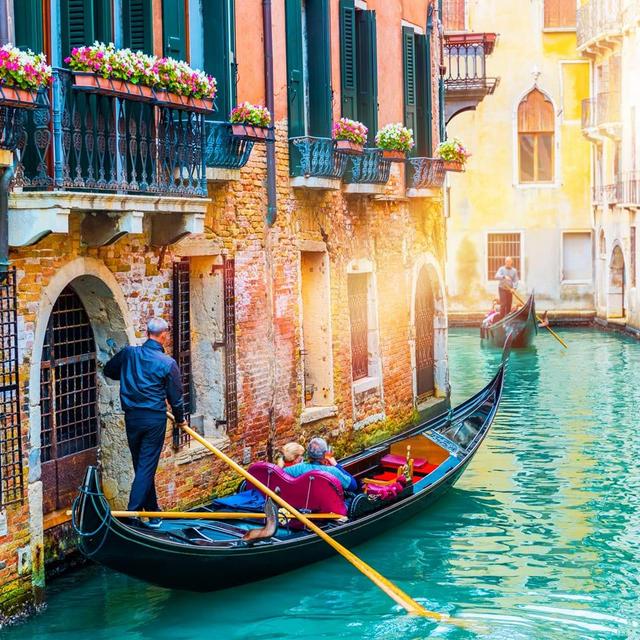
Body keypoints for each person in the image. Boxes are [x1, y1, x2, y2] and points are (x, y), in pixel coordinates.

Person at [104, 318, 186, 527]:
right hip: (153, 420)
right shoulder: (168, 363)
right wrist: (180, 420)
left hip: (132, 418)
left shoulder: (129, 354)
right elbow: (176, 398)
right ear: (164, 335)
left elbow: (109, 371)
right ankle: (131, 515)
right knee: (145, 467)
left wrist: (128, 375)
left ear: (147, 332)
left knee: (142, 466)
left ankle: (153, 513)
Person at [284, 437, 358, 492]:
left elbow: (281, 472)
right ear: (325, 454)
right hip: (331, 508)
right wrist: (336, 465)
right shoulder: (332, 470)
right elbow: (353, 486)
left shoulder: (297, 468)